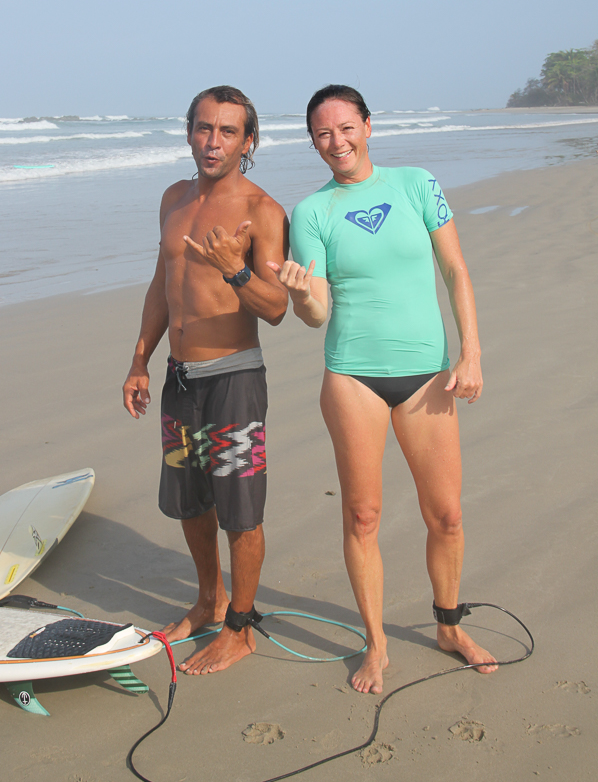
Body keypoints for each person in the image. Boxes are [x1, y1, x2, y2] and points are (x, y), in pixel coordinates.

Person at [268, 84, 498, 694]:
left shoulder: (416, 184)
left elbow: (455, 269)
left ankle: (449, 625)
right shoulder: (312, 213)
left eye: (346, 127)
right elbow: (316, 312)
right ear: (313, 142)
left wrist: (470, 352)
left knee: (445, 515)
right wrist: (298, 291)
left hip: (427, 371)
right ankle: (376, 642)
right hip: (353, 376)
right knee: (363, 514)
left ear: (368, 126)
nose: (336, 142)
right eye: (322, 133)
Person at [123, 85, 288, 675]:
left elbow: (275, 308)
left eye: (226, 131)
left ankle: (240, 627)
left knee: (240, 511)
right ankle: (209, 599)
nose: (211, 141)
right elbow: (161, 285)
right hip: (178, 378)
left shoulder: (263, 211)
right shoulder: (172, 198)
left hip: (233, 378)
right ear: (189, 130)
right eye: (202, 128)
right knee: (191, 502)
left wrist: (236, 270)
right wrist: (141, 359)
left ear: (249, 141)